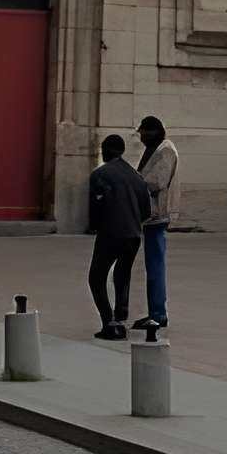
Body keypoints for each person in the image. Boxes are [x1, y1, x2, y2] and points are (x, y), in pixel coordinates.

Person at [86, 133, 150, 338]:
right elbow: (146, 210)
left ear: (105, 150)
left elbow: (96, 209)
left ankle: (109, 322)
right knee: (123, 273)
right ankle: (121, 313)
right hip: (133, 234)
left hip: (111, 233)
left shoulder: (100, 175)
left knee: (97, 277)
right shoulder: (136, 177)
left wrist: (96, 225)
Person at [135, 114, 180, 318]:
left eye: (144, 133)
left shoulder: (165, 150)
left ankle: (158, 313)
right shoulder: (156, 148)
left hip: (157, 214)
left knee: (155, 267)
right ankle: (155, 310)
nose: (142, 137)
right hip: (150, 215)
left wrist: (134, 183)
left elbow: (156, 181)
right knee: (152, 266)